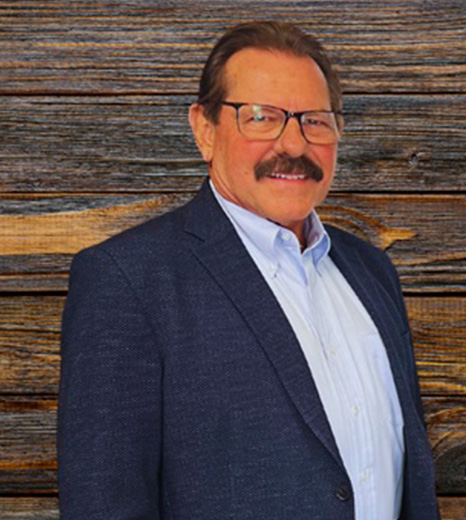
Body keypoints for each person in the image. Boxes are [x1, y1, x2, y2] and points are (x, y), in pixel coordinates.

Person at [58, 21, 440, 519]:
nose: (295, 145)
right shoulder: (128, 281)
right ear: (205, 129)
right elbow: (104, 504)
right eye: (261, 117)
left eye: (315, 121)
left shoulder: (372, 273)